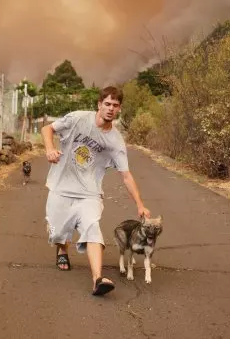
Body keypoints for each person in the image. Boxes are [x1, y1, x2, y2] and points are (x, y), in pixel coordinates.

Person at [41, 86, 151, 296]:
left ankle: (97, 279)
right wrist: (49, 148)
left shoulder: (115, 141)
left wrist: (140, 204)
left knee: (92, 227)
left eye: (115, 105)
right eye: (107, 104)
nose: (110, 109)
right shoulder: (78, 119)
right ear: (99, 105)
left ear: (119, 109)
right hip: (61, 186)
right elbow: (47, 129)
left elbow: (126, 175)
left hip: (89, 193)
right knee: (58, 232)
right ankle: (62, 249)